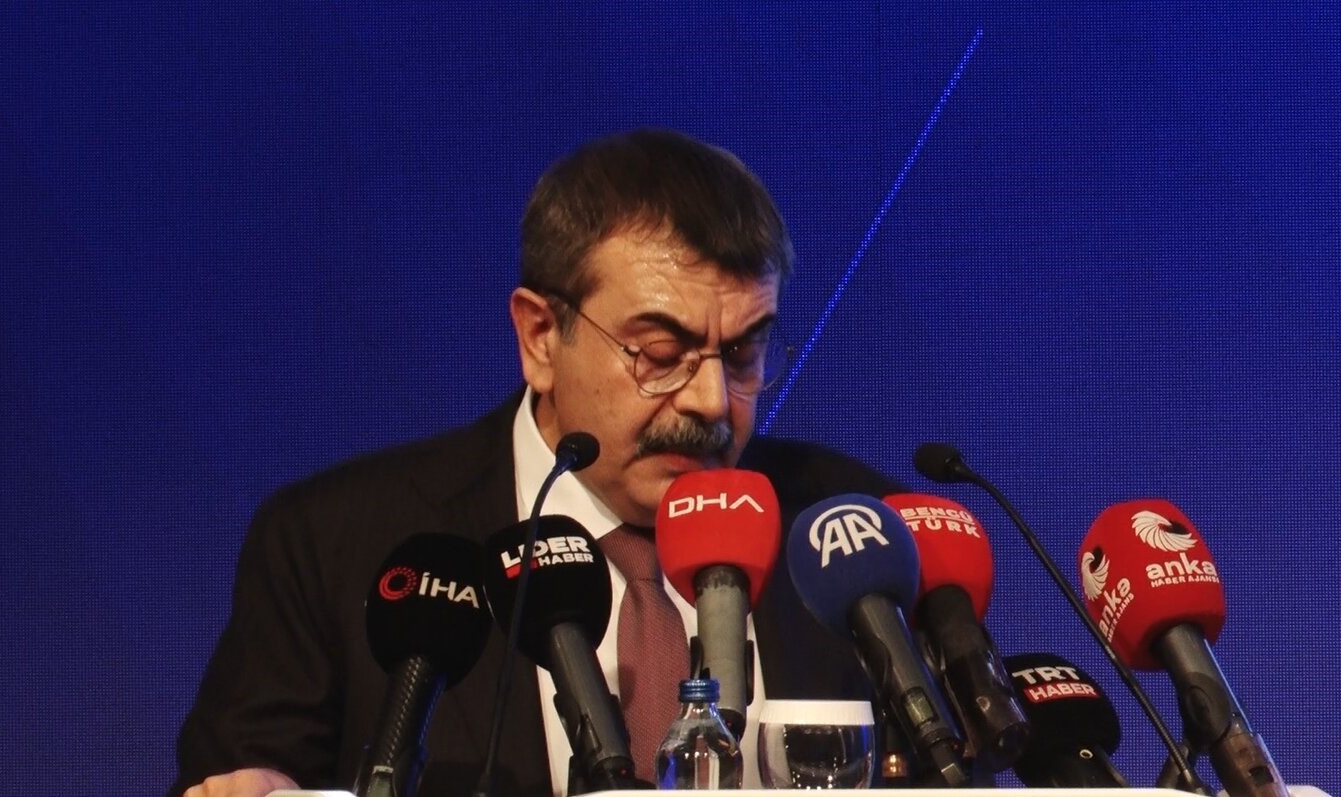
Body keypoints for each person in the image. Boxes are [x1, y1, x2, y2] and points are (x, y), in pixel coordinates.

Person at [173, 129, 902, 797]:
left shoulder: (854, 537)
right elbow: (239, 774)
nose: (712, 400)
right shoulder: (335, 544)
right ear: (540, 337)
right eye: (659, 352)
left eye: (742, 352)